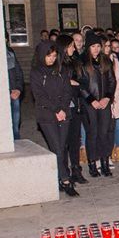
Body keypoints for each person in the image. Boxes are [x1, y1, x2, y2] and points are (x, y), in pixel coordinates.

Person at [30, 40, 77, 197]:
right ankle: (65, 179)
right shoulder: (36, 72)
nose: (51, 59)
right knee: (57, 147)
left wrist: (63, 109)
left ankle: (58, 176)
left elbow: (67, 91)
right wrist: (56, 110)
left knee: (61, 148)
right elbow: (39, 96)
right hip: (47, 115)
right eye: (48, 56)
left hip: (64, 113)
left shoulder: (61, 70)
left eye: (54, 56)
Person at [81, 32, 116, 177]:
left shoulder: (106, 61)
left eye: (97, 46)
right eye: (93, 46)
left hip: (104, 103)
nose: (95, 49)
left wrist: (107, 98)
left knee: (104, 133)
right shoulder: (82, 63)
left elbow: (112, 82)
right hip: (90, 104)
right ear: (87, 47)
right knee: (92, 134)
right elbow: (80, 86)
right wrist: (92, 100)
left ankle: (105, 162)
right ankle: (92, 164)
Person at [58, 34, 87, 184]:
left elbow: (82, 80)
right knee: (63, 142)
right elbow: (57, 83)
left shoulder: (75, 61)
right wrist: (69, 82)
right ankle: (64, 173)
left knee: (75, 140)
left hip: (75, 104)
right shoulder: (56, 63)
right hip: (62, 107)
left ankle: (76, 168)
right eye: (70, 46)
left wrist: (73, 82)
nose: (73, 48)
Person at [6, 40, 24, 140]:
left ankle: (16, 142)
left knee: (15, 125)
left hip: (14, 93)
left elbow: (19, 73)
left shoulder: (10, 54)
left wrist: (18, 89)